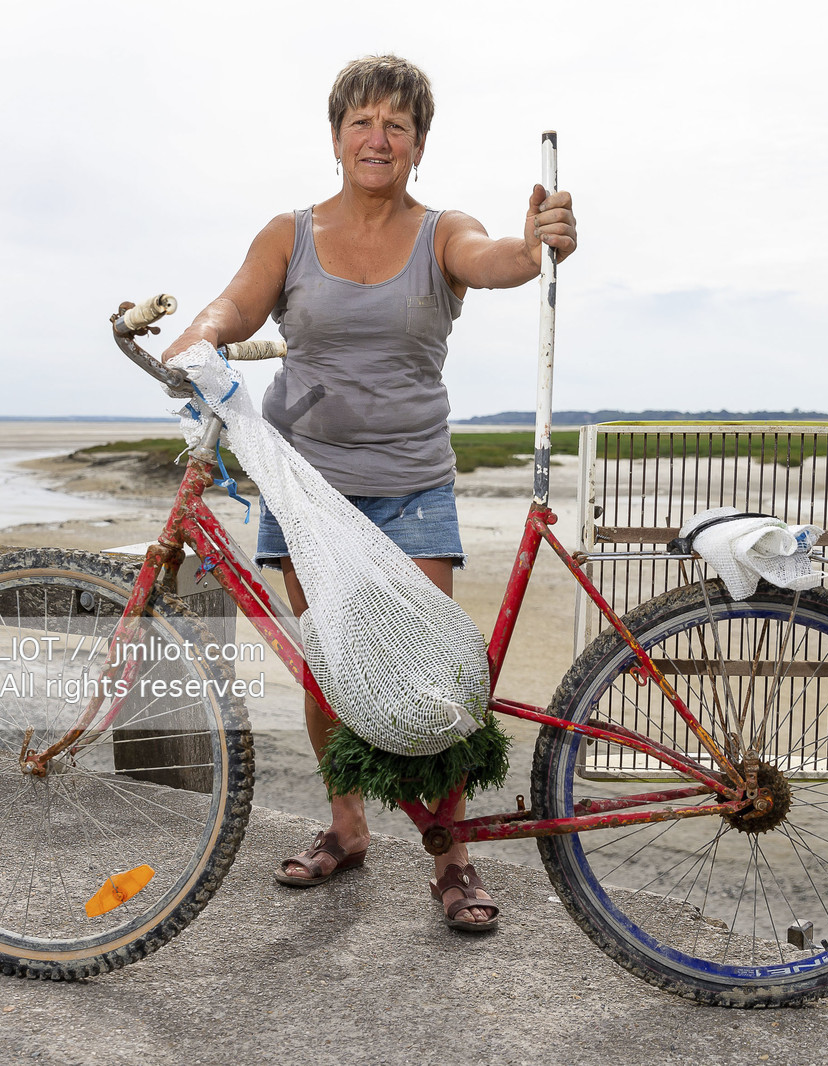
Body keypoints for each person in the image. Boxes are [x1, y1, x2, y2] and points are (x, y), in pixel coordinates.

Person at [162, 54, 576, 932]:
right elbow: (234, 306)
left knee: (434, 679)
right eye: (362, 121)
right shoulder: (291, 233)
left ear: (418, 145)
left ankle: (452, 855)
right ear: (336, 136)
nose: (377, 138)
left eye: (397, 124)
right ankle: (347, 829)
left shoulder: (439, 232)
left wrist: (536, 243)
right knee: (330, 674)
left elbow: (495, 258)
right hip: (305, 487)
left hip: (410, 486)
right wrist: (196, 341)